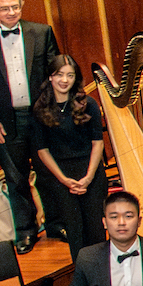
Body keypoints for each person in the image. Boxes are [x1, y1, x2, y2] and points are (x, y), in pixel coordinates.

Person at [0, 0, 60, 253]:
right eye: (4, 9)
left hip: (41, 115)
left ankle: (55, 224)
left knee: (47, 172)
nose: (11, 13)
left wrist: (55, 112)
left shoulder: (41, 32)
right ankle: (26, 232)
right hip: (6, 121)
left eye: (15, 7)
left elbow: (56, 73)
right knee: (16, 176)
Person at [28, 54, 107, 258]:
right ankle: (82, 272)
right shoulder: (40, 109)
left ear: (75, 78)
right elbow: (42, 150)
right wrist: (63, 180)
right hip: (61, 176)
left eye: (70, 75)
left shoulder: (88, 104)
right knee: (75, 229)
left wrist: (89, 177)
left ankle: (103, 271)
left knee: (95, 226)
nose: (65, 80)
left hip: (90, 170)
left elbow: (97, 143)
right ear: (50, 77)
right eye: (60, 75)